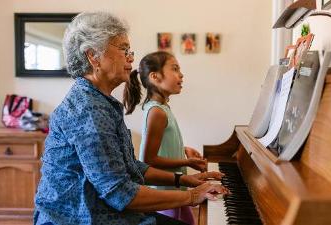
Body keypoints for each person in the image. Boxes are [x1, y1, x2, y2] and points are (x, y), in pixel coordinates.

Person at [34, 12, 228, 225]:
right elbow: (119, 193)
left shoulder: (100, 101)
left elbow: (129, 166)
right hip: (80, 218)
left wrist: (183, 179)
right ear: (93, 56)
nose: (131, 57)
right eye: (123, 49)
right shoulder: (88, 110)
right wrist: (192, 196)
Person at [123, 51, 207, 225]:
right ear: (155, 77)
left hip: (175, 188)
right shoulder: (157, 112)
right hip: (164, 191)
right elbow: (148, 159)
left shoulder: (162, 107)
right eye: (175, 69)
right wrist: (187, 162)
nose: (181, 74)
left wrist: (183, 150)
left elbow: (162, 145)